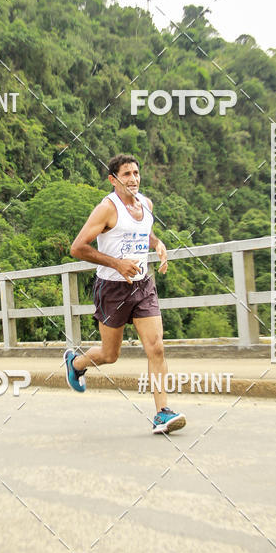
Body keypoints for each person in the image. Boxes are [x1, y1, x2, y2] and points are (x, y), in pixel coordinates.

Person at [65, 154, 186, 434]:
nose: (133, 179)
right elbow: (77, 247)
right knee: (110, 354)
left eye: (136, 173)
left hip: (142, 285)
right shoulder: (107, 209)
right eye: (126, 174)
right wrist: (117, 264)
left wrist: (158, 244)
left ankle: (162, 413)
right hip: (112, 289)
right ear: (113, 179)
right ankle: (76, 362)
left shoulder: (146, 204)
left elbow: (145, 233)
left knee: (156, 347)